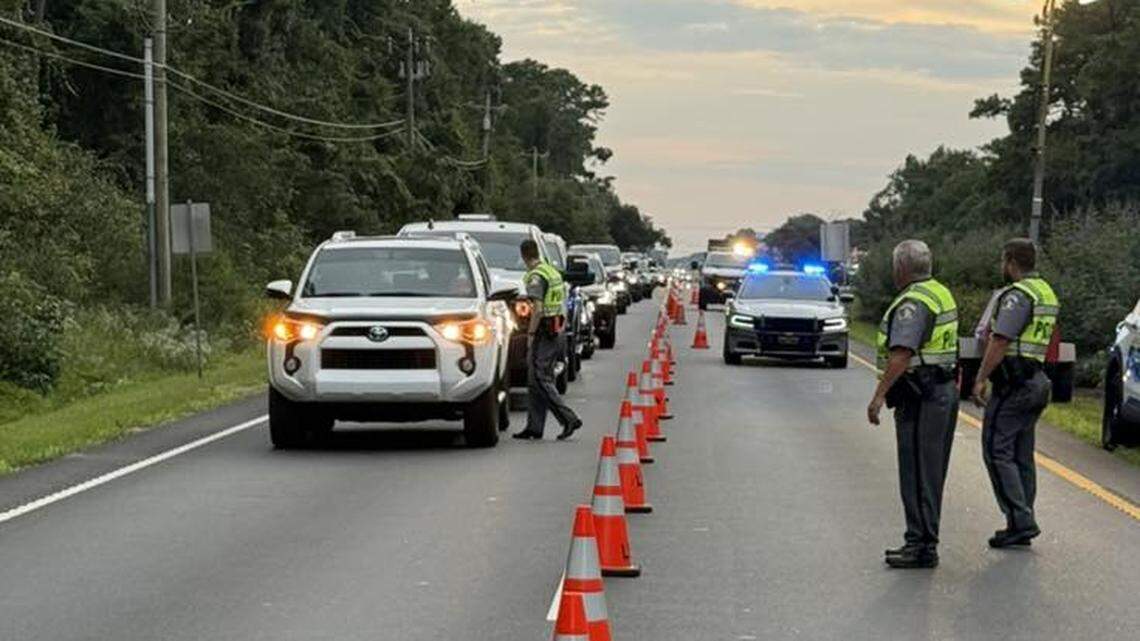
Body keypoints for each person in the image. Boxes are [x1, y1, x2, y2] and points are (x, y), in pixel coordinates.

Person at [866, 240, 959, 569]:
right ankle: (922, 542)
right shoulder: (939, 292)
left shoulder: (913, 302)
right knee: (930, 472)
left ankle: (920, 545)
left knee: (918, 472)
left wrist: (879, 396)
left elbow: (902, 353)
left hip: (922, 397)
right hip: (940, 392)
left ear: (901, 267)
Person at [971, 239, 1059, 548]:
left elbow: (1000, 340)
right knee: (1021, 454)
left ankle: (1020, 520)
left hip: (1015, 385)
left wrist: (980, 378)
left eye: (1003, 261)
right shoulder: (1045, 291)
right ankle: (1022, 518)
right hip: (1037, 381)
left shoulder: (1017, 295)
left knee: (997, 450)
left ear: (1010, 262)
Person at [513, 239, 583, 441]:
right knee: (534, 380)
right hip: (556, 328)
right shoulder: (551, 272)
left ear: (523, 255)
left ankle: (569, 418)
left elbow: (538, 309)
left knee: (540, 377)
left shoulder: (536, 276)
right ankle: (534, 427)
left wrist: (530, 334)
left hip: (544, 331)